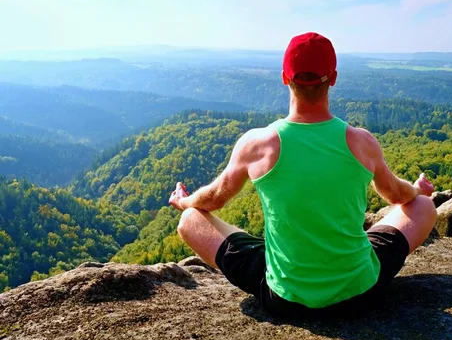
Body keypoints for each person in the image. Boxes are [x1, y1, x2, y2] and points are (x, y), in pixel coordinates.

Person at [169, 32, 437, 316]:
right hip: (360, 292)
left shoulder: (258, 144)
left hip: (284, 298)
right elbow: (398, 195)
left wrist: (183, 201)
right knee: (422, 206)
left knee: (190, 220)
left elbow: (212, 200)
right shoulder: (362, 142)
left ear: (285, 77)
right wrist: (419, 190)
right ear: (333, 78)